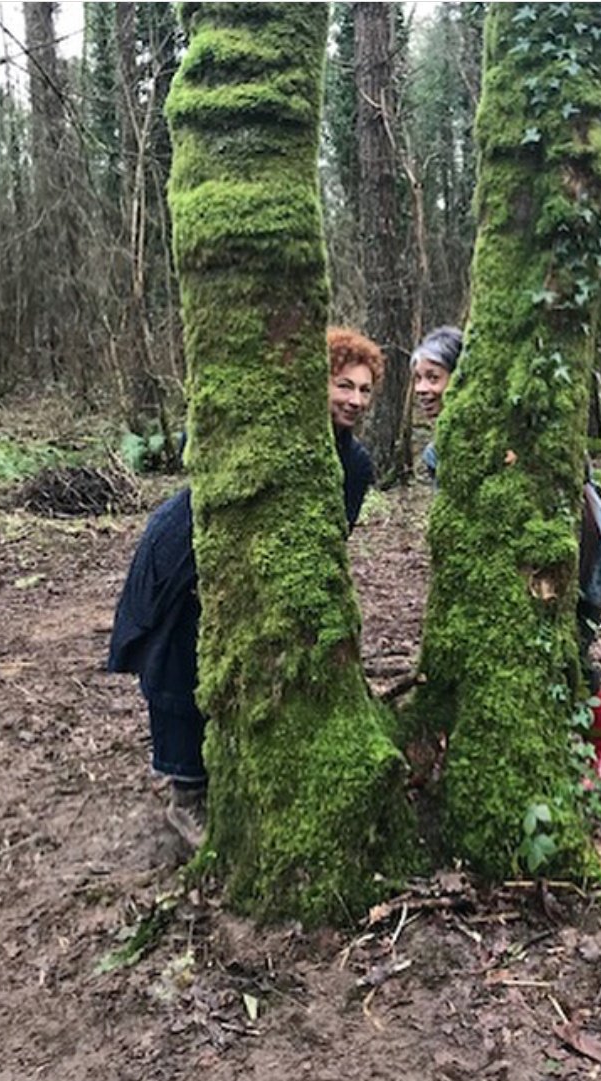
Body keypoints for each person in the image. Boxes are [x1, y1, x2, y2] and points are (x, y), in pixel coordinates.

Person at [108, 327, 385, 847]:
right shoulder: (271, 426)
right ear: (315, 384)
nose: (354, 399)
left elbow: (331, 538)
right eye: (342, 385)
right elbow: (200, 445)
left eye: (364, 390)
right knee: (176, 661)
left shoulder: (355, 464)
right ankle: (186, 793)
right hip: (187, 547)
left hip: (260, 573)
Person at [409, 325, 601, 781]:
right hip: (517, 564)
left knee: (570, 643)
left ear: (460, 377)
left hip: (579, 547)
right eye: (418, 378)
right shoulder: (439, 451)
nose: (424, 389)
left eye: (434, 376)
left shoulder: (502, 428)